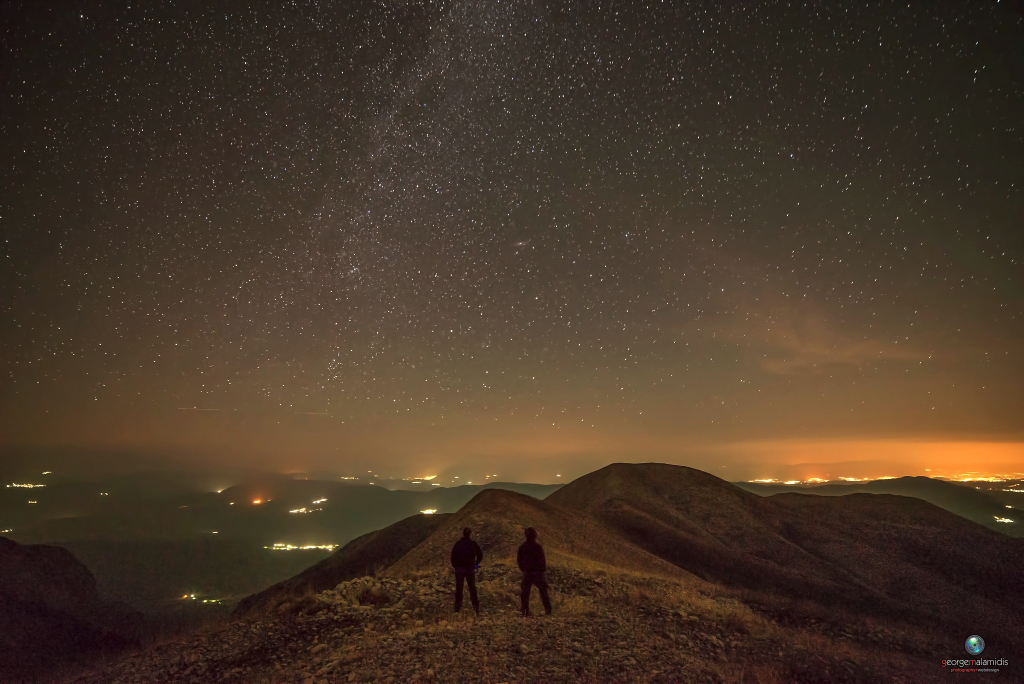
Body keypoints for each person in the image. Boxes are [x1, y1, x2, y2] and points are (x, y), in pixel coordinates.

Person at [517, 527, 551, 616]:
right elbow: (542, 561)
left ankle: (525, 611)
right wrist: (542, 571)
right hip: (537, 573)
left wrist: (523, 569)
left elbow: (519, 560)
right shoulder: (538, 547)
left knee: (525, 593)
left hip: (527, 573)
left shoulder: (522, 547)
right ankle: (548, 610)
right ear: (535, 536)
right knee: (543, 592)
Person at [450, 527, 482, 614]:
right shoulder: (473, 544)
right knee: (472, 589)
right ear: (470, 534)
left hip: (459, 569)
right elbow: (480, 555)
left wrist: (456, 567)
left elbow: (452, 557)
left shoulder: (458, 544)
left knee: (459, 590)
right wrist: (475, 564)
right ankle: (476, 609)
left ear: (463, 533)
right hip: (470, 569)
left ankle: (457, 610)